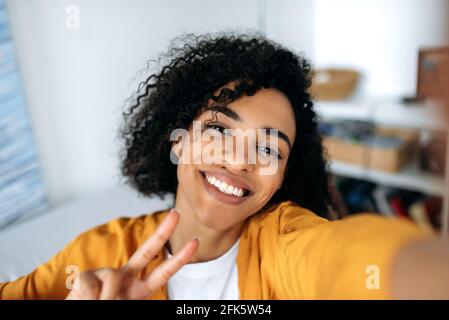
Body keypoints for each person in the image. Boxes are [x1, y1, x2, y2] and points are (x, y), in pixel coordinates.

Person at [1, 32, 447, 300]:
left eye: (269, 150)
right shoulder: (99, 254)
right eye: (219, 130)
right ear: (177, 140)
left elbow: (349, 257)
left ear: (281, 180)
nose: (238, 160)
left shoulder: (282, 244)